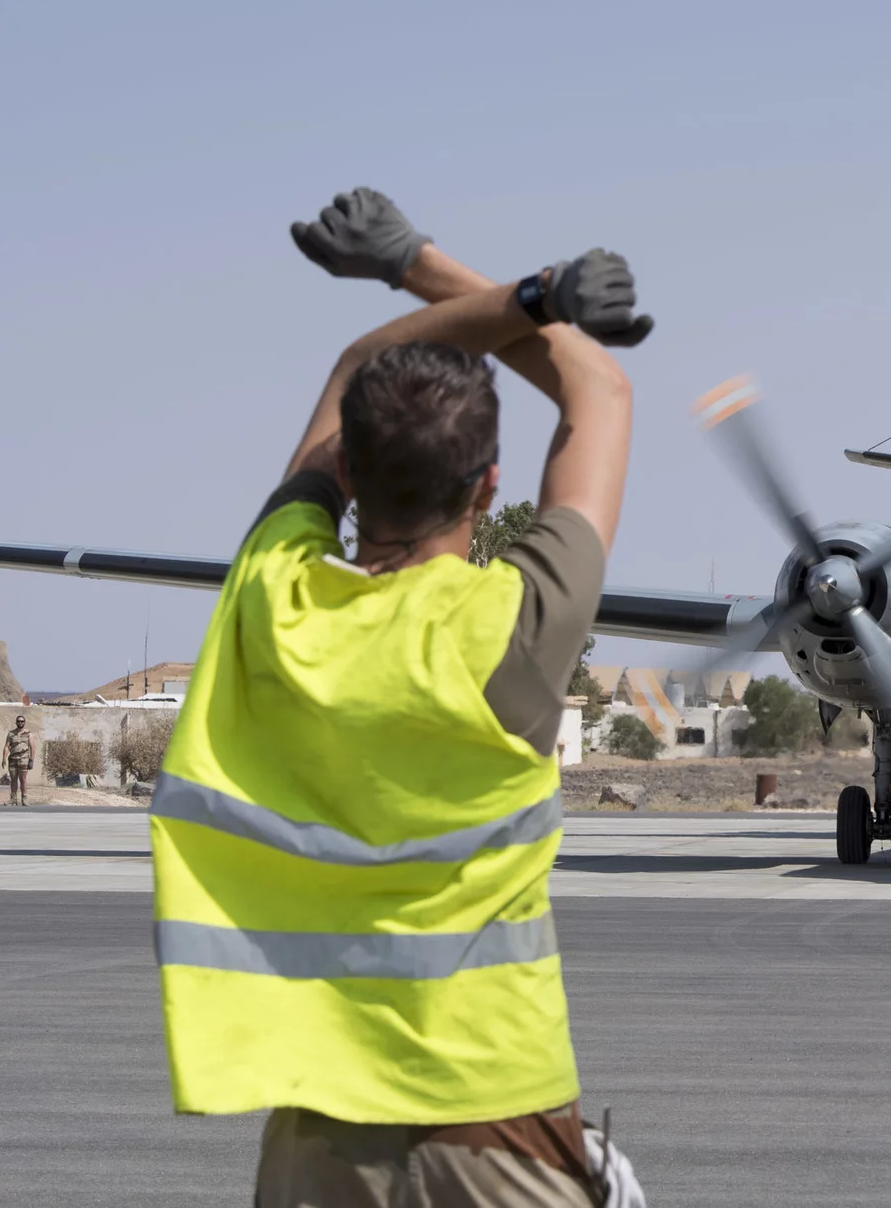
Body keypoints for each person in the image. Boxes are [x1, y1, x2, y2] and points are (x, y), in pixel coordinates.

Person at [153, 187, 649, 1206]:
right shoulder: (513, 625)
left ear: (341, 466)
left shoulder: (271, 596)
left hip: (314, 1138)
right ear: (487, 488)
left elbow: (352, 367)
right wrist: (446, 267)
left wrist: (500, 286)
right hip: (495, 1118)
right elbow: (598, 390)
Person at [2, 714, 34, 805]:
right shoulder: (11, 734)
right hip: (12, 759)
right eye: (19, 721)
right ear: (16, 722)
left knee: (23, 779)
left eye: (22, 721)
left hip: (24, 759)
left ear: (24, 723)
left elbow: (32, 747)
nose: (20, 723)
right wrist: (4, 758)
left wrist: (31, 760)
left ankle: (24, 799)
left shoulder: (28, 734)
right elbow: (7, 746)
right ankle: (13, 799)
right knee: (13, 779)